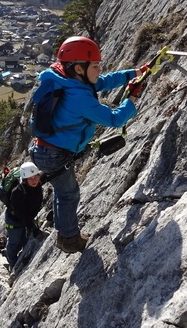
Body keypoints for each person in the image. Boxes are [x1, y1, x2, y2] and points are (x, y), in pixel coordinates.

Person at [29, 36, 149, 254]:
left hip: (46, 150)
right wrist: (131, 98)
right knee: (69, 194)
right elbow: (114, 120)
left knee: (63, 192)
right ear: (79, 68)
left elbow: (104, 81)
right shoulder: (79, 97)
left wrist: (135, 73)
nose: (99, 69)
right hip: (54, 154)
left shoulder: (67, 79)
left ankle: (63, 231)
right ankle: (70, 240)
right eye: (95, 66)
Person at [5, 161, 45, 270]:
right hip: (14, 220)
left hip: (27, 218)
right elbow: (22, 213)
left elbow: (50, 173)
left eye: (35, 177)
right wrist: (32, 227)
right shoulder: (17, 192)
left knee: (24, 241)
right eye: (30, 178)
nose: (34, 180)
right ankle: (13, 264)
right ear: (24, 179)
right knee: (14, 243)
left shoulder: (38, 183)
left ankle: (21, 260)